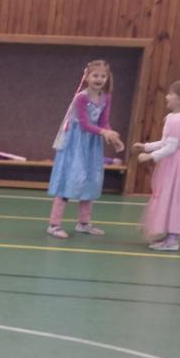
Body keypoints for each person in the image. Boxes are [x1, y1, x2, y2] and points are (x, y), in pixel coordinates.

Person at [46, 60, 125, 238]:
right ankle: (54, 224)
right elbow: (84, 124)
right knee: (69, 179)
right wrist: (104, 132)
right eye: (95, 75)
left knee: (91, 179)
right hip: (75, 144)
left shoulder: (106, 98)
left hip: (92, 145)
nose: (99, 79)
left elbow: (103, 122)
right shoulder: (81, 98)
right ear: (87, 77)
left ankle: (84, 223)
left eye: (103, 76)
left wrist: (112, 136)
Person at [132, 80, 180, 251]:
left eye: (171, 94)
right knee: (167, 195)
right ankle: (168, 234)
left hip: (176, 163)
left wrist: (149, 156)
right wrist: (146, 146)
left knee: (173, 196)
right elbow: (165, 142)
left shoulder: (178, 121)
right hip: (173, 161)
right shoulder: (173, 118)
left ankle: (172, 239)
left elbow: (170, 148)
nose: (167, 97)